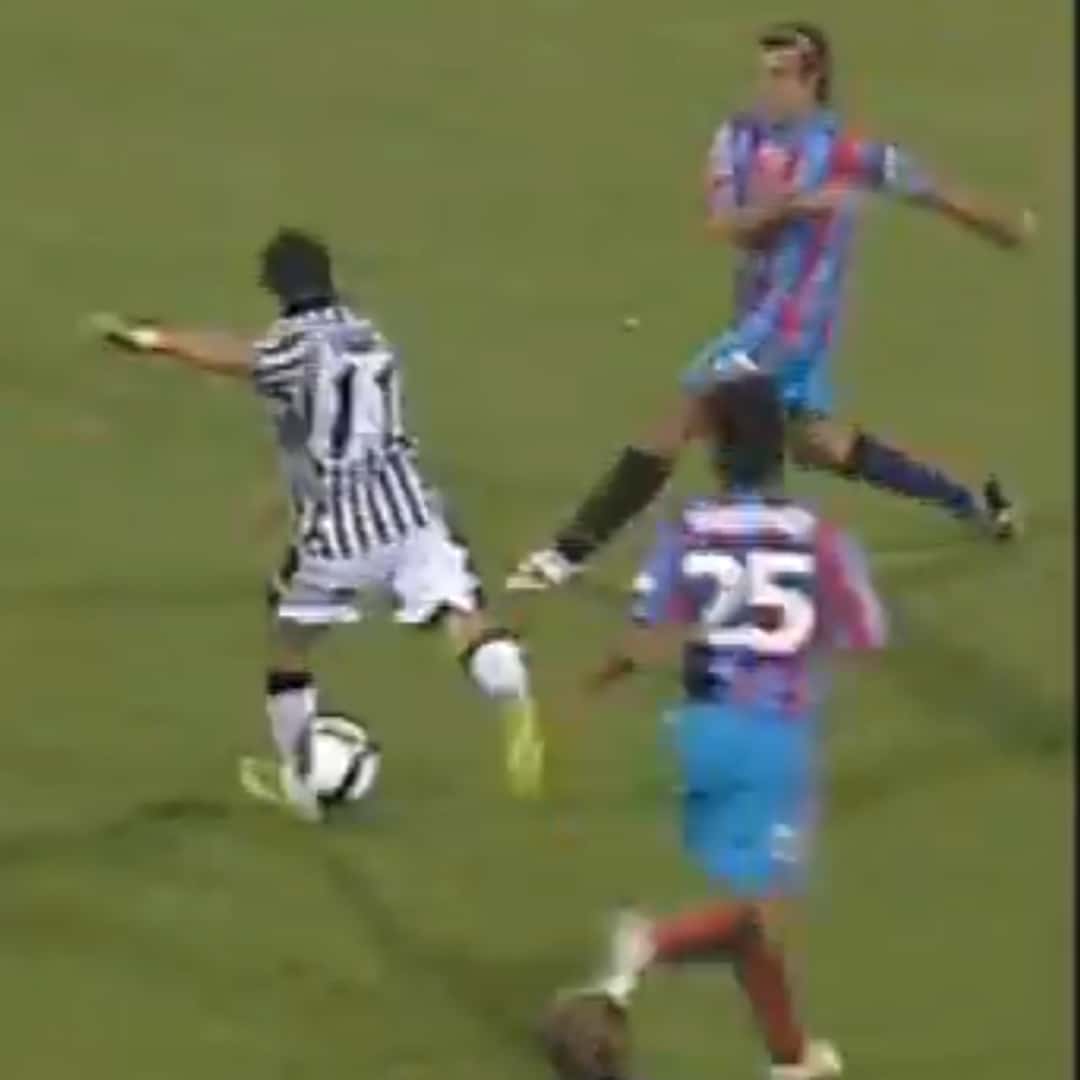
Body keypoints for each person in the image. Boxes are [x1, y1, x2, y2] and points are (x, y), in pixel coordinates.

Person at [508, 20, 1033, 592]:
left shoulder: (849, 153)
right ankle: (972, 499)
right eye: (763, 74)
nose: (767, 87)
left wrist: (1007, 228)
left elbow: (936, 193)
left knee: (681, 417)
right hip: (758, 321)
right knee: (818, 444)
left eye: (780, 75)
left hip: (790, 329)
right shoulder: (737, 139)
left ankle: (568, 553)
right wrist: (796, 206)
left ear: (813, 79)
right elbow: (726, 227)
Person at [91, 228, 544, 816]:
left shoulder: (294, 346)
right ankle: (510, 687)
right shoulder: (369, 335)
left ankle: (301, 782)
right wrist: (280, 492)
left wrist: (153, 339)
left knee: (289, 648)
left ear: (274, 287)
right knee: (459, 616)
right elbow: (325, 425)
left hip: (341, 533)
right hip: (410, 513)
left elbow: (236, 356)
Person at [565, 374, 886, 1078]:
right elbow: (864, 633)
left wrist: (591, 686)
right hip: (770, 737)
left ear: (714, 449)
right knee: (762, 913)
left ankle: (792, 1058)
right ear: (781, 448)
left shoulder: (687, 529)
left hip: (700, 731)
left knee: (759, 917)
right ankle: (645, 947)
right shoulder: (820, 537)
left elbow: (643, 636)